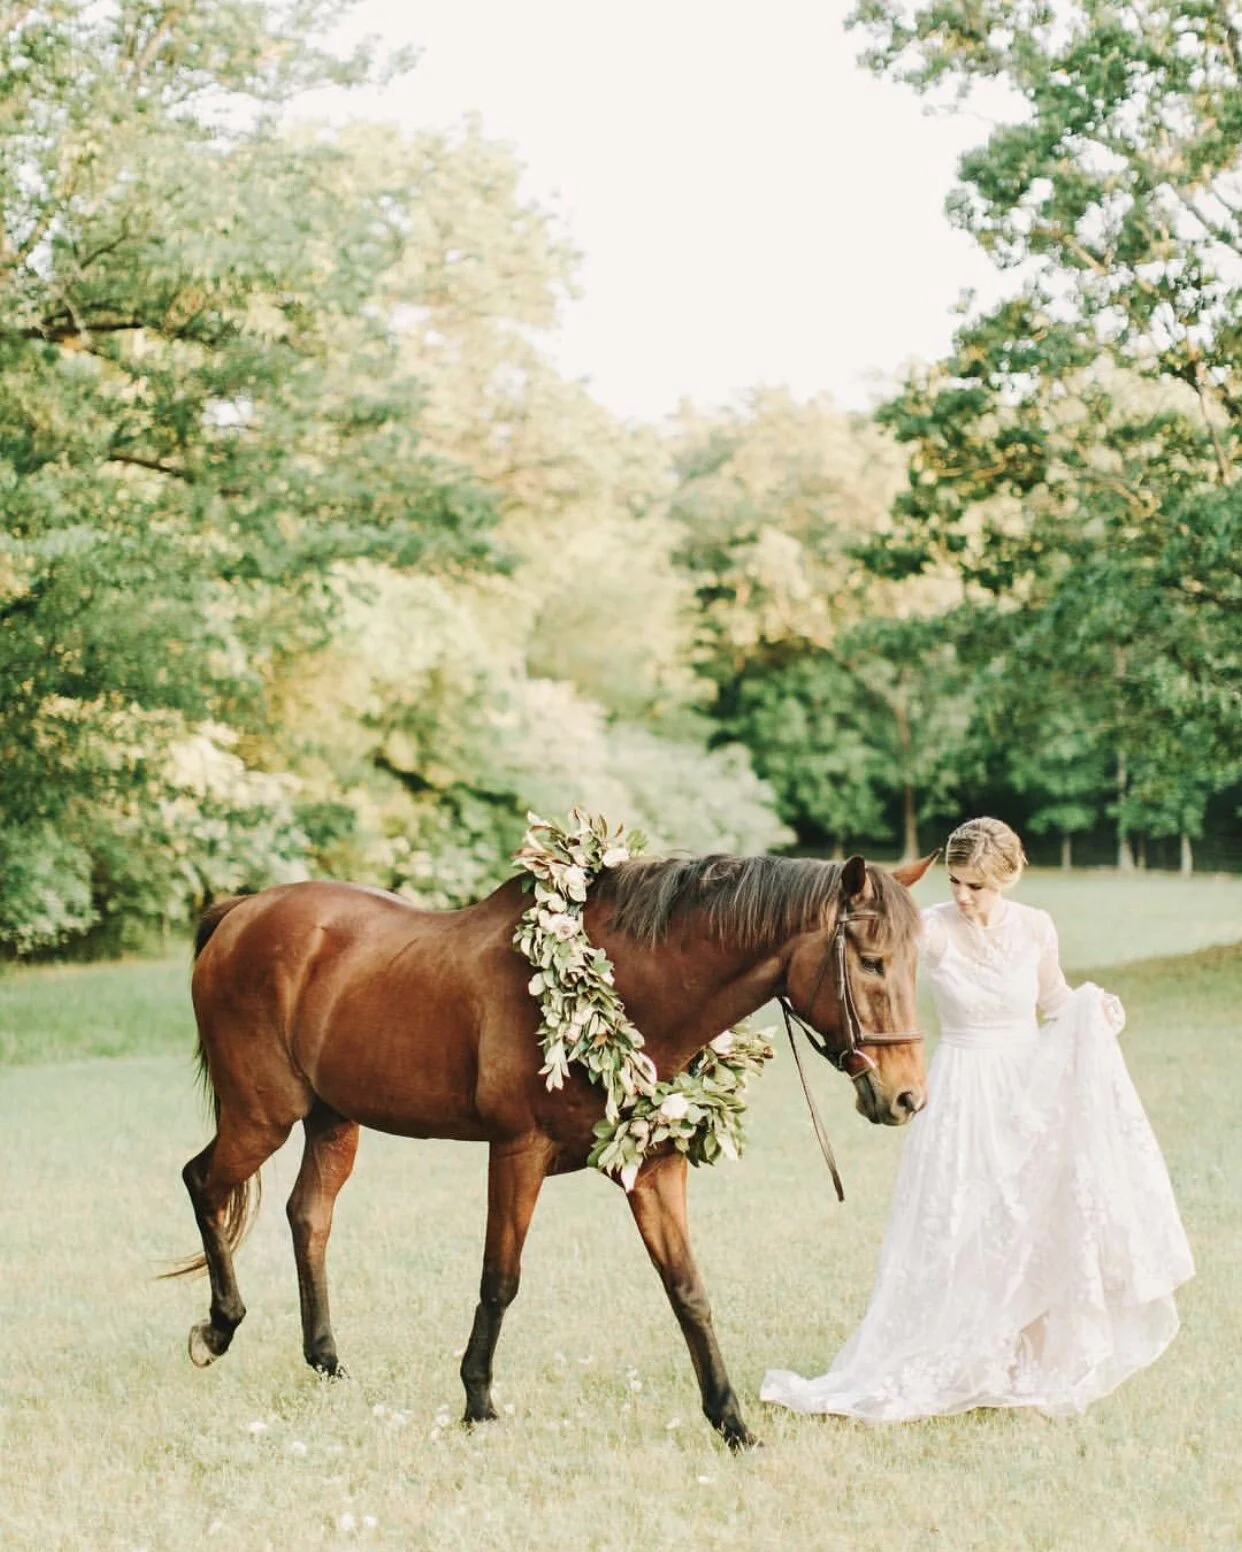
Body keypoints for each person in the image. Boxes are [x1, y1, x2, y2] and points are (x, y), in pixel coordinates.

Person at [761, 817, 1194, 1421]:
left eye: (977, 886)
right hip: (963, 1087)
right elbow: (876, 959)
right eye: (956, 880)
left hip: (1026, 1088)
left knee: (1033, 1214)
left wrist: (1092, 1011)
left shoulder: (1037, 929)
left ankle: (1026, 1358)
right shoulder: (933, 929)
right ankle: (956, 1351)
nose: (963, 895)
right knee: (963, 1218)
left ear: (1009, 879)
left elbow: (1052, 1004)